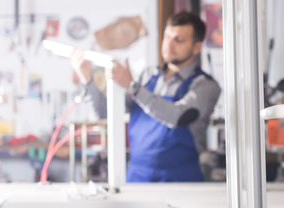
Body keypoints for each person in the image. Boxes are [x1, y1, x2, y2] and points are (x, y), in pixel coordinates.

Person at [71, 11, 221, 183]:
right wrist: (87, 80)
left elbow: (177, 116)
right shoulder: (147, 76)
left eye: (178, 40)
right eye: (167, 37)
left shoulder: (205, 86)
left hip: (181, 177)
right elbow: (105, 113)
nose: (169, 45)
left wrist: (132, 87)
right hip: (138, 174)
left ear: (196, 47)